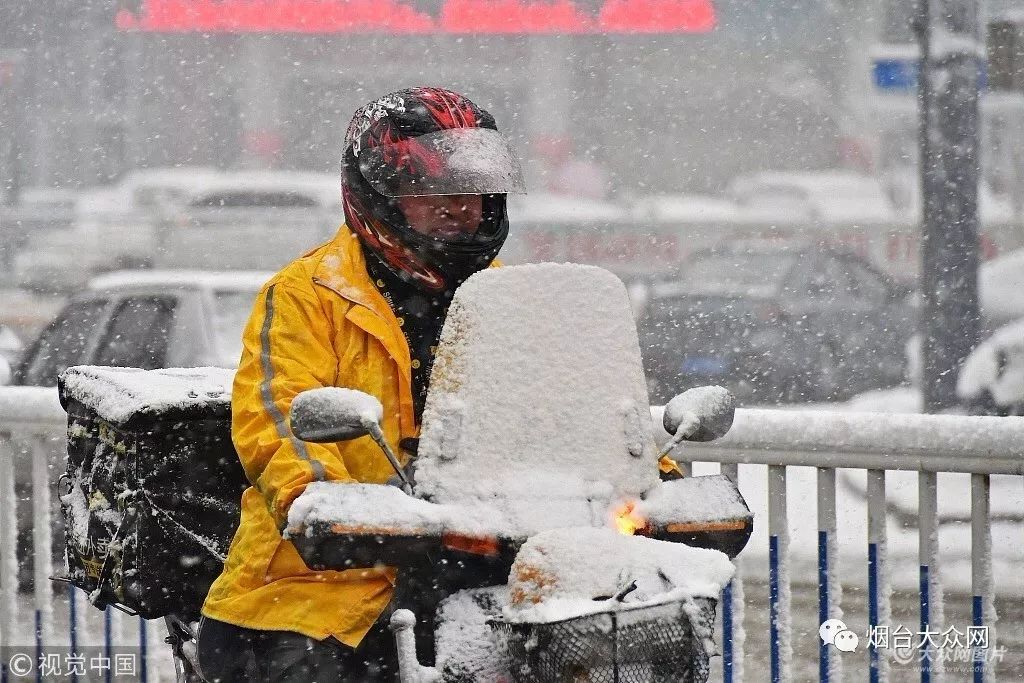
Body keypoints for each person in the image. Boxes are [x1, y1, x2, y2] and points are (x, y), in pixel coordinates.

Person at [196, 87, 525, 682]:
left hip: (478, 574)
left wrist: (648, 479)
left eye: (471, 184)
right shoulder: (306, 294)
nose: (458, 204)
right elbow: (277, 415)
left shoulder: (507, 300)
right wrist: (321, 499)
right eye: (429, 187)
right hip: (314, 592)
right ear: (378, 193)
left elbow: (569, 404)